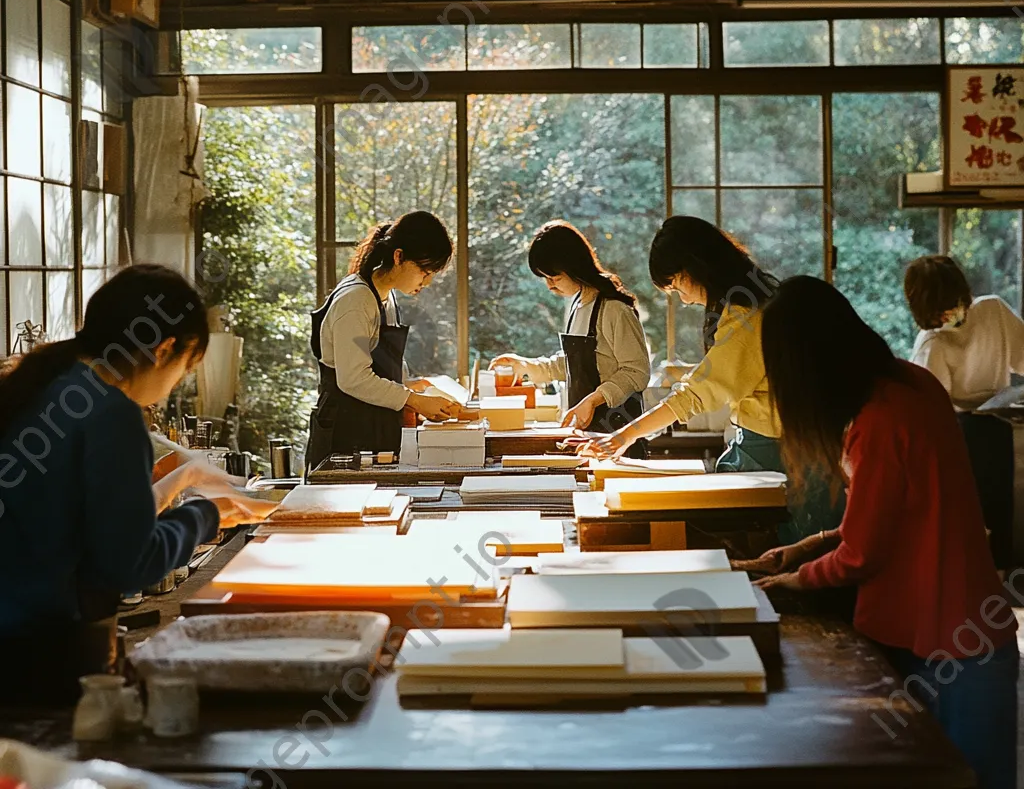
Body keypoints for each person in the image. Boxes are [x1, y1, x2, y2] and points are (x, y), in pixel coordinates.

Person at [752, 276, 1017, 789]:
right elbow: (898, 516)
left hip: (948, 642)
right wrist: (810, 547)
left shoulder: (879, 421)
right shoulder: (908, 385)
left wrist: (795, 582)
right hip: (961, 628)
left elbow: (863, 556)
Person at [0, 265, 274, 704]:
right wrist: (205, 514)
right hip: (38, 652)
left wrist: (179, 486)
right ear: (164, 350)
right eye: (184, 370)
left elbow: (62, 519)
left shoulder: (34, 382)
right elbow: (129, 564)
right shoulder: (111, 414)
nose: (172, 388)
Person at [587, 215, 843, 541]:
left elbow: (696, 395)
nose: (683, 298)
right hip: (781, 446)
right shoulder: (754, 301)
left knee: (783, 557)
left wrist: (625, 436)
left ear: (696, 269)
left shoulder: (745, 315)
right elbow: (716, 375)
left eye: (677, 284)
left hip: (782, 454)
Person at [308, 211, 458, 469]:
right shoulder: (355, 300)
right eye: (424, 270)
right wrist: (413, 399)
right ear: (398, 256)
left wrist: (413, 385)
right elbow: (354, 378)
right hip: (346, 437)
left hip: (372, 432)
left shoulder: (385, 296)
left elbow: (380, 363)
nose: (428, 281)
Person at [904, 254, 1024, 570]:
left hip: (1001, 431)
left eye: (956, 303)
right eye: (940, 311)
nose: (952, 315)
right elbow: (932, 413)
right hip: (957, 440)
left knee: (1000, 521)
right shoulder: (931, 344)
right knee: (975, 528)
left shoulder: (993, 310)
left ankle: (1000, 589)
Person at [489, 221, 651, 444]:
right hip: (585, 431)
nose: (549, 286)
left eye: (555, 278)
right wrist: (525, 366)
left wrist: (593, 401)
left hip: (617, 431)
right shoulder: (578, 304)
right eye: (545, 278)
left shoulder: (614, 309)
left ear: (576, 268)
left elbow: (636, 372)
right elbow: (569, 365)